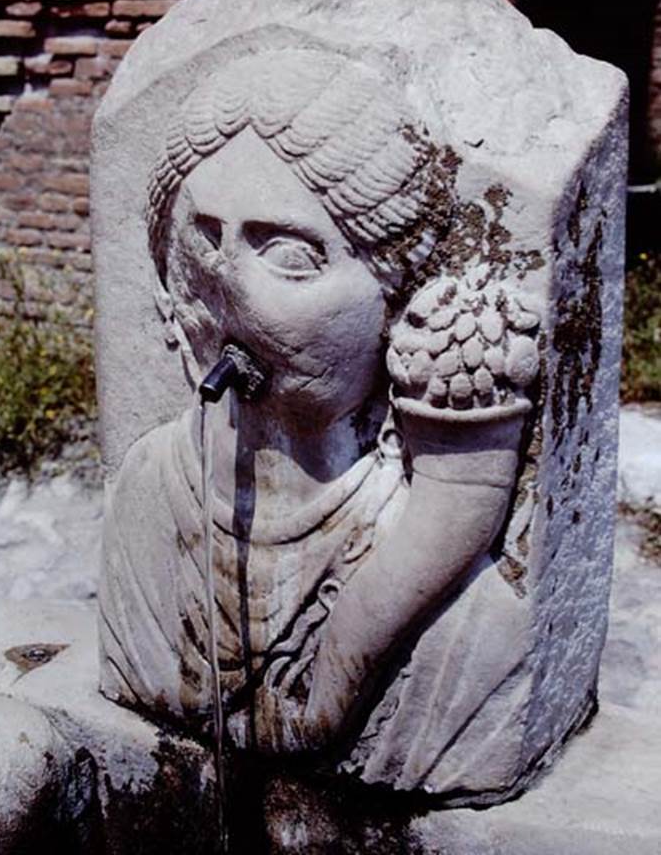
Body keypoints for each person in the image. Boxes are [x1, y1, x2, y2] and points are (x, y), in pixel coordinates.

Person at [99, 41, 539, 796]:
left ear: (396, 300)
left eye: (289, 257)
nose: (224, 289)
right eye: (201, 242)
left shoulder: (471, 622)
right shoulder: (143, 500)